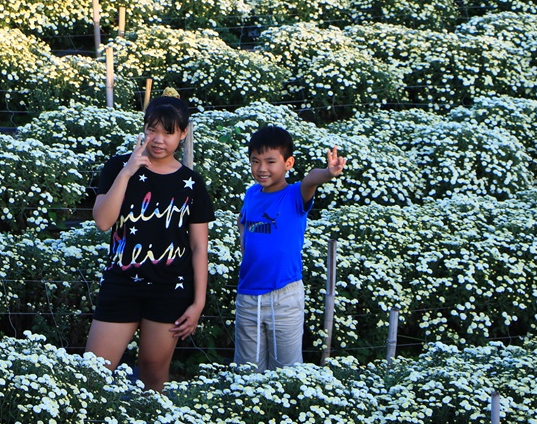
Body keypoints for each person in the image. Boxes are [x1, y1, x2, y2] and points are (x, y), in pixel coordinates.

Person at [85, 95, 214, 393]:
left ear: (183, 133)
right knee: (93, 371)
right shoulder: (118, 166)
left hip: (170, 290)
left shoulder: (192, 184)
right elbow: (103, 222)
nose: (158, 140)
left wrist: (198, 303)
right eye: (152, 130)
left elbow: (198, 248)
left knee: (153, 375)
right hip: (121, 284)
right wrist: (128, 171)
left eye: (168, 132)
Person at [234, 125, 345, 372]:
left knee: (286, 371)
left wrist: (328, 172)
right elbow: (243, 224)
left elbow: (310, 180)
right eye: (255, 161)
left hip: (284, 295)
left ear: (288, 163)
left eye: (270, 161)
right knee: (246, 371)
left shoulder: (295, 195)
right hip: (248, 295)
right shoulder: (251, 194)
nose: (262, 169)